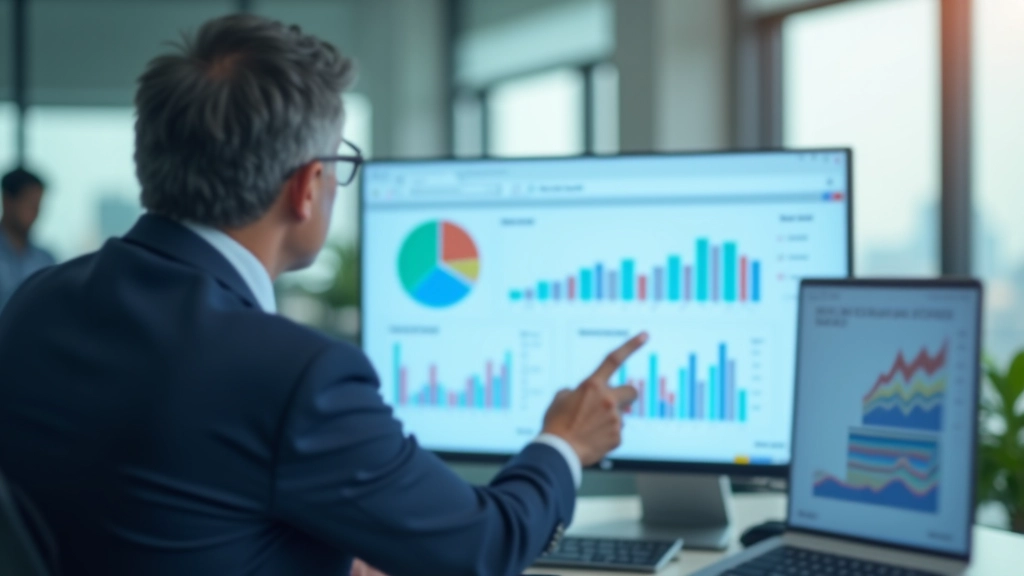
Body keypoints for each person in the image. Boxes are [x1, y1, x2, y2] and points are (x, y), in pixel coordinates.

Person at [0, 15, 644, 576]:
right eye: (339, 166)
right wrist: (564, 443)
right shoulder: (294, 375)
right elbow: (482, 548)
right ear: (307, 187)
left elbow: (162, 515)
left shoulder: (39, 303)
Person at [0, 168, 55, 311]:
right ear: (8, 202)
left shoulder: (45, 260)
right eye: (30, 203)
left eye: (38, 205)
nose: (35, 212)